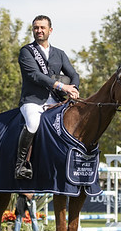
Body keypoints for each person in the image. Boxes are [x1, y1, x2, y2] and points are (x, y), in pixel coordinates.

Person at [15, 15, 80, 179]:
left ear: (50, 30)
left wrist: (75, 89)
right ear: (33, 30)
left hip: (56, 101)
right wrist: (62, 86)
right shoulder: (26, 51)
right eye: (36, 28)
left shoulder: (59, 53)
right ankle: (21, 165)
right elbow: (35, 75)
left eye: (42, 27)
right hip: (33, 101)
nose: (39, 30)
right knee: (33, 123)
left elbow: (73, 74)